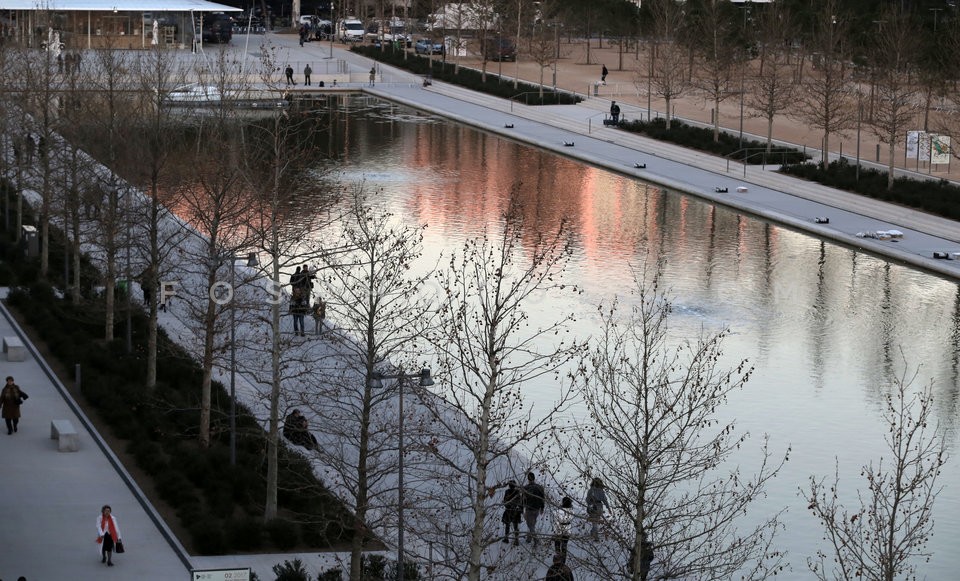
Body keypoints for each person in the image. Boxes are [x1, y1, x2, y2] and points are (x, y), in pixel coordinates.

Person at [522, 471, 546, 544]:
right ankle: (529, 538)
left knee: (530, 525)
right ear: (534, 478)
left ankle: (536, 539)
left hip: (529, 508)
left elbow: (523, 499)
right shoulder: (540, 487)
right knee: (533, 523)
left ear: (528, 479)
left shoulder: (526, 488)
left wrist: (522, 508)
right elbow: (542, 498)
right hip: (537, 508)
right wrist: (542, 508)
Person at [501, 480, 522, 545]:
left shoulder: (507, 492)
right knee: (515, 526)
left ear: (509, 485)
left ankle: (506, 538)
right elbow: (520, 502)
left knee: (507, 525)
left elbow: (505, 502)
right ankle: (516, 540)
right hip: (516, 511)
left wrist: (507, 506)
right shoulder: (518, 492)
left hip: (508, 510)